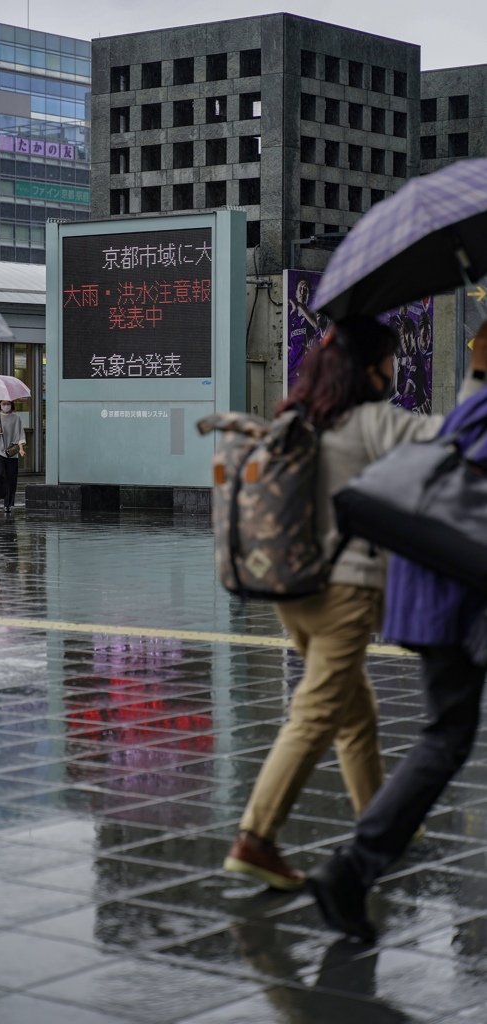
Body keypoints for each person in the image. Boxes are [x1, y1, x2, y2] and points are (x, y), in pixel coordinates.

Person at [223, 315, 484, 892]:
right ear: (369, 367)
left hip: (294, 590)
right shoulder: (369, 420)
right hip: (344, 592)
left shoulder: (302, 416)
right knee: (317, 713)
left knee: (355, 713)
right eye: (389, 358)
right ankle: (256, 838)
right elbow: (453, 438)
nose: (393, 368)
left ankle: (384, 820)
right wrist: (478, 374)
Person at [308, 326, 487, 942]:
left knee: (446, 734)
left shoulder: (467, 412)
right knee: (445, 735)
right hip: (459, 592)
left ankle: (353, 870)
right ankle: (352, 868)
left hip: (435, 587)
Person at [0, 400, 26, 513]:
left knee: (11, 477)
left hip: (12, 451)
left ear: (11, 404)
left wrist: (21, 449)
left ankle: (7, 504)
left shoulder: (16, 418)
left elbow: (20, 434)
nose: (6, 406)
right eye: (3, 404)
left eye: (8, 403)